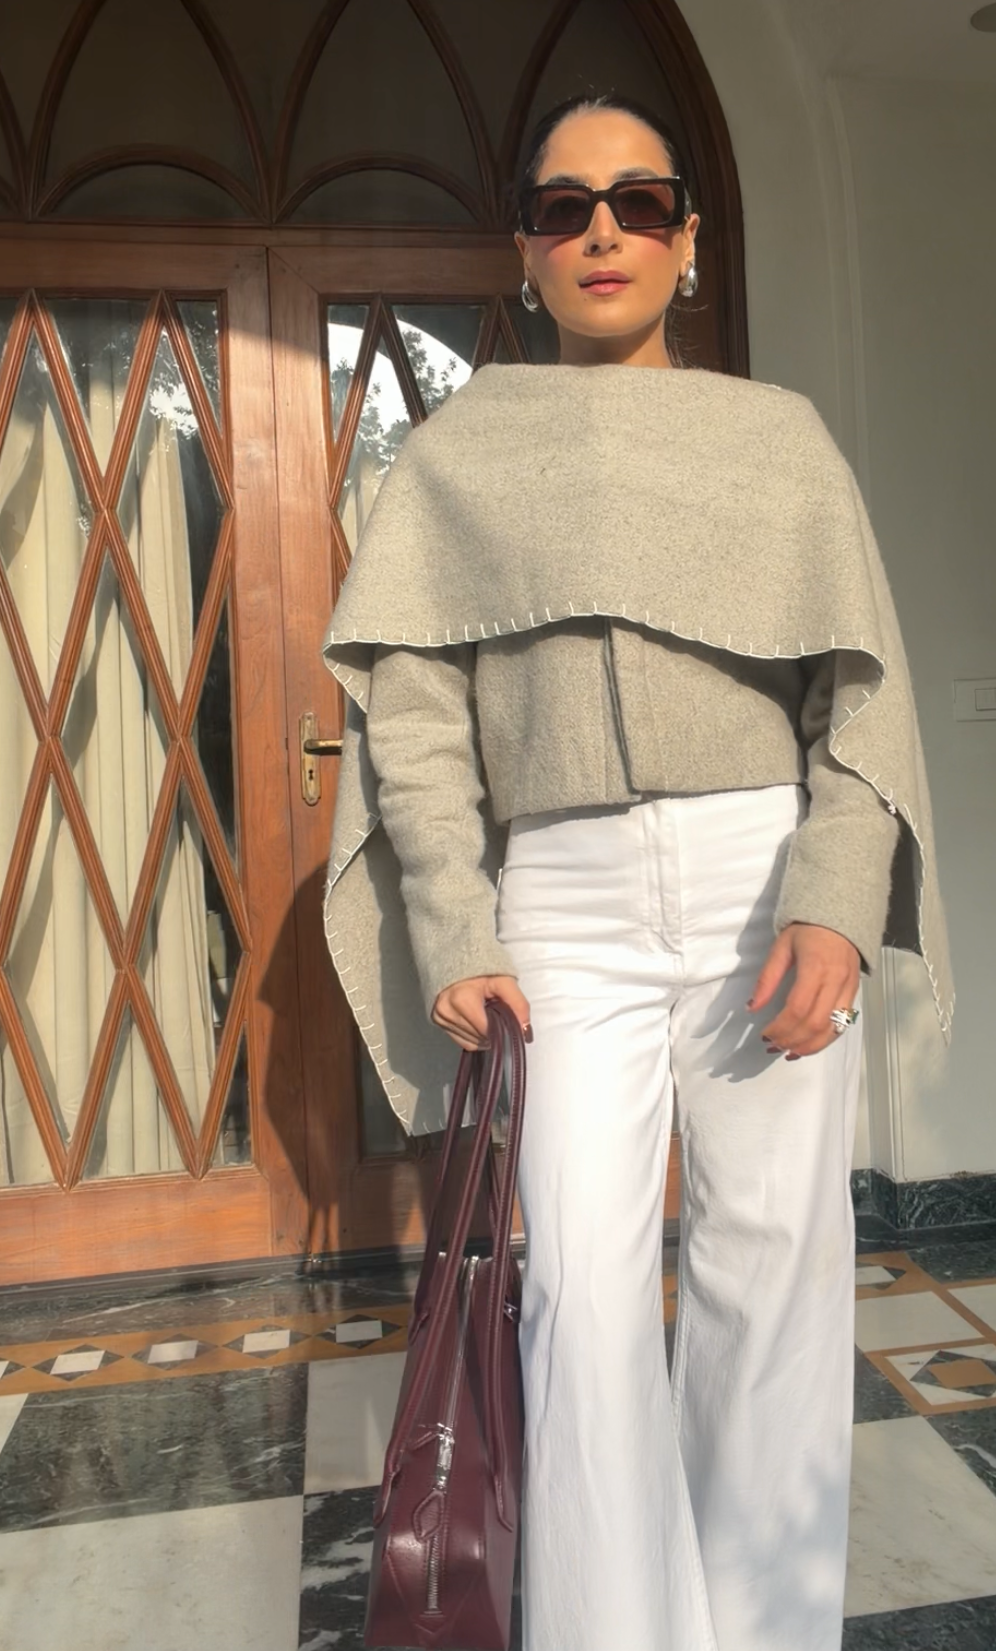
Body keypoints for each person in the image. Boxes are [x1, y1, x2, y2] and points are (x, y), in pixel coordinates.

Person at [322, 93, 952, 1651]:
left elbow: (856, 689)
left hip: (761, 875)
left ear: (687, 239)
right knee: (581, 1299)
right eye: (563, 207)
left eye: (639, 201)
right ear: (523, 249)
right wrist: (452, 919)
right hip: (562, 899)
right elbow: (414, 714)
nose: (601, 230)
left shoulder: (778, 440)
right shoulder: (455, 459)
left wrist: (833, 895)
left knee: (773, 1275)